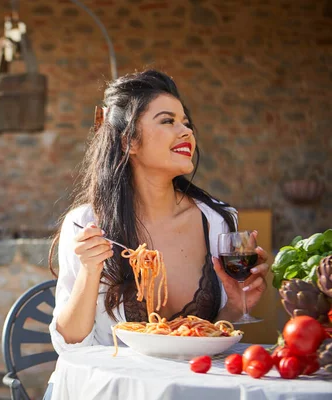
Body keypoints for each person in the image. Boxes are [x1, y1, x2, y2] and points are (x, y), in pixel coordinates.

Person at [42, 70, 269, 399]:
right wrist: (90, 271)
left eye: (186, 121)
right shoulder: (87, 223)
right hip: (112, 391)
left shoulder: (218, 220)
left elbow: (210, 339)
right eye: (168, 121)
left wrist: (235, 306)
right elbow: (71, 344)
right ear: (129, 141)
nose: (186, 130)